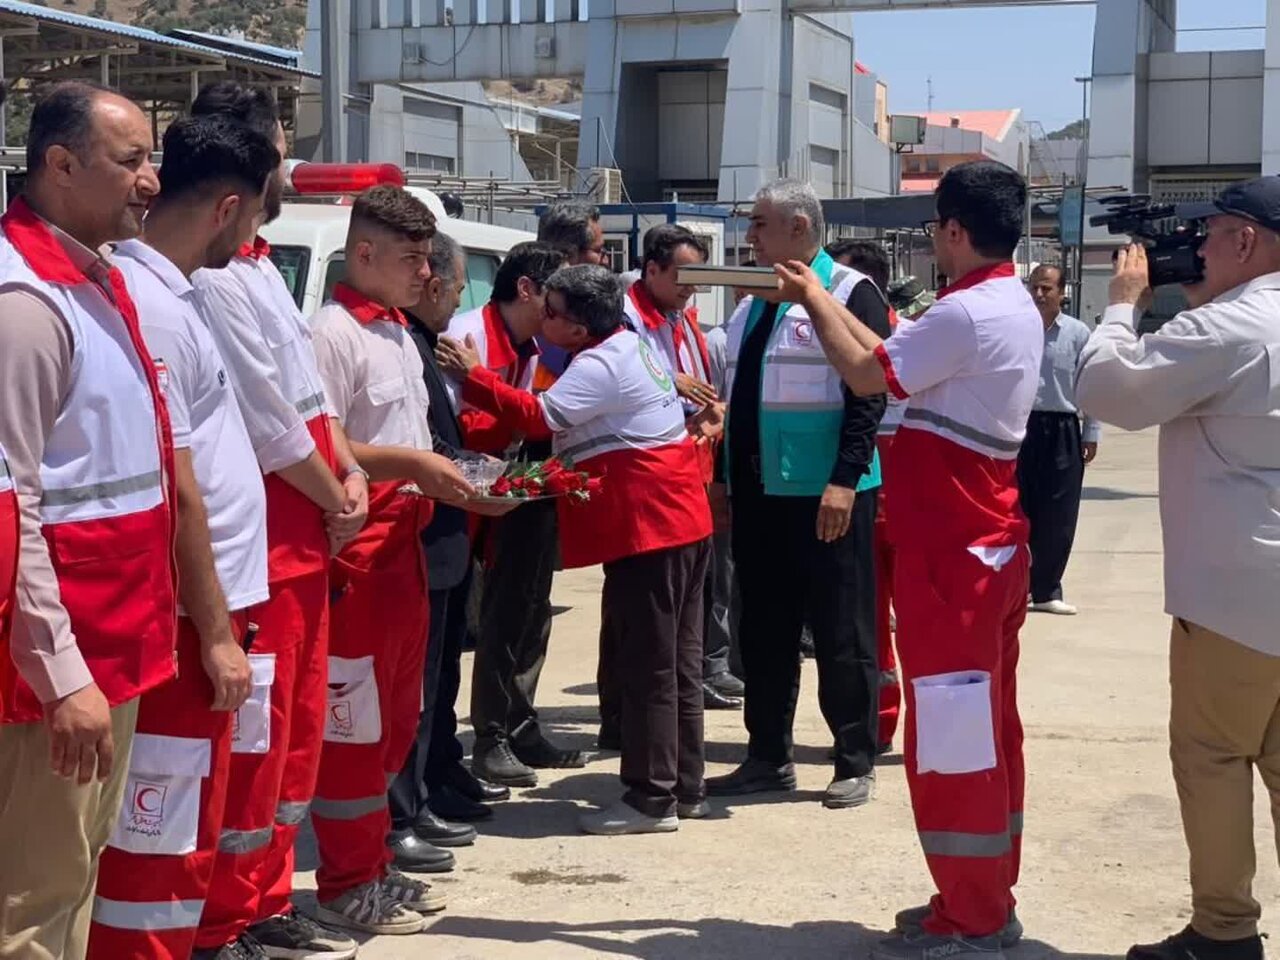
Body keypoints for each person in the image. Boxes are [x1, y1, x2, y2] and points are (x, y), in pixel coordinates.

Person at [770, 160, 1042, 959]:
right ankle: (980, 895)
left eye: (935, 230)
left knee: (955, 738)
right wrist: (831, 298)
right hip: (977, 548)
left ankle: (975, 919)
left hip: (952, 556)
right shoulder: (1000, 302)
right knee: (986, 730)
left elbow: (864, 373)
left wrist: (815, 295)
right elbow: (892, 356)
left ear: (953, 231)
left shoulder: (966, 315)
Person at [86, 114, 277, 960]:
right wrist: (214, 628)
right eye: (257, 215)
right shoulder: (155, 309)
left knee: (190, 821)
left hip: (213, 612)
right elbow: (178, 494)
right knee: (156, 831)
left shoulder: (181, 295)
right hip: (187, 622)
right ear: (229, 207)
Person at [1075, 177, 1280, 960]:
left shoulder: (1236, 324)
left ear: (1246, 241)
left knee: (1216, 756)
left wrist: (1125, 302)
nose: (1198, 247)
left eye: (1213, 231)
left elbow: (1111, 390)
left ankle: (1224, 931)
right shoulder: (1232, 322)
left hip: (1237, 595)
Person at [438, 264, 713, 836]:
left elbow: (539, 416)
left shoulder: (601, 363)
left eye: (555, 311)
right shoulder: (629, 346)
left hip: (651, 528)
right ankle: (683, 786)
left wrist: (474, 377)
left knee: (649, 665)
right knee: (677, 663)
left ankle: (650, 798)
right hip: (677, 521)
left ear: (581, 327)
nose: (545, 317)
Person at [0, 81, 177, 960]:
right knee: (32, 901)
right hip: (57, 669)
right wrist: (61, 674)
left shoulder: (96, 281)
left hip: (113, 646)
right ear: (61, 165)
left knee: (77, 873)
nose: (151, 179)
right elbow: (12, 505)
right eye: (131, 160)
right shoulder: (26, 304)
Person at [189, 82, 365, 960]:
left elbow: (310, 401)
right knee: (253, 745)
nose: (289, 166)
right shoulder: (222, 284)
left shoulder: (260, 267)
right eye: (282, 150)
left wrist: (351, 473)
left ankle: (264, 899)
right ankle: (224, 919)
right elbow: (268, 423)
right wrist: (337, 495)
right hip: (275, 539)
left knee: (293, 742)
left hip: (308, 536)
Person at [309, 185, 477, 936]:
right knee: (353, 725)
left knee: (398, 720)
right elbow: (329, 445)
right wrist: (414, 462)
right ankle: (345, 883)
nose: (428, 274)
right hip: (359, 557)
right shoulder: (332, 334)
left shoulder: (398, 335)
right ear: (365, 254)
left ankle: (373, 863)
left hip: (408, 546)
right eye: (413, 259)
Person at [705, 178, 888, 812]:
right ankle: (766, 757)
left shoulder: (849, 292)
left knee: (843, 631)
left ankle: (853, 758)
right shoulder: (752, 300)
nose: (749, 235)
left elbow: (871, 394)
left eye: (759, 224)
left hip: (829, 494)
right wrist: (724, 481)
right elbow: (742, 397)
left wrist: (844, 479)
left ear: (800, 229)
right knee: (765, 631)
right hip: (760, 493)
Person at [387, 230, 511, 865]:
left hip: (446, 532)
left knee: (438, 677)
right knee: (415, 687)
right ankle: (404, 807)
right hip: (417, 531)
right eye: (457, 286)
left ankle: (433, 783)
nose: (456, 298)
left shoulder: (421, 343)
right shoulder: (396, 340)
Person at [441, 241, 574, 789]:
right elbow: (447, 428)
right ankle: (468, 743)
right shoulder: (466, 337)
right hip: (459, 501)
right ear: (527, 289)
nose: (563, 308)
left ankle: (514, 726)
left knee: (524, 611)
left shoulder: (531, 348)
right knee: (459, 628)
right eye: (556, 296)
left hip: (507, 493)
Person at [827, 238, 903, 754]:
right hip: (867, 490)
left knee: (919, 623)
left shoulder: (914, 338)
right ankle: (878, 725)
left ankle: (934, 729)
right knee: (869, 623)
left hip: (907, 494)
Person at [1018, 263, 1101, 616]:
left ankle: (1047, 589)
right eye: (1034, 287)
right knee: (1018, 508)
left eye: (1047, 288)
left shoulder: (1079, 334)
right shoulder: (1017, 329)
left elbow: (1092, 386)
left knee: (1058, 512)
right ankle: (1016, 588)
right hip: (1020, 427)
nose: (1039, 294)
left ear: (1063, 293)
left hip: (1064, 427)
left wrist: (1091, 431)